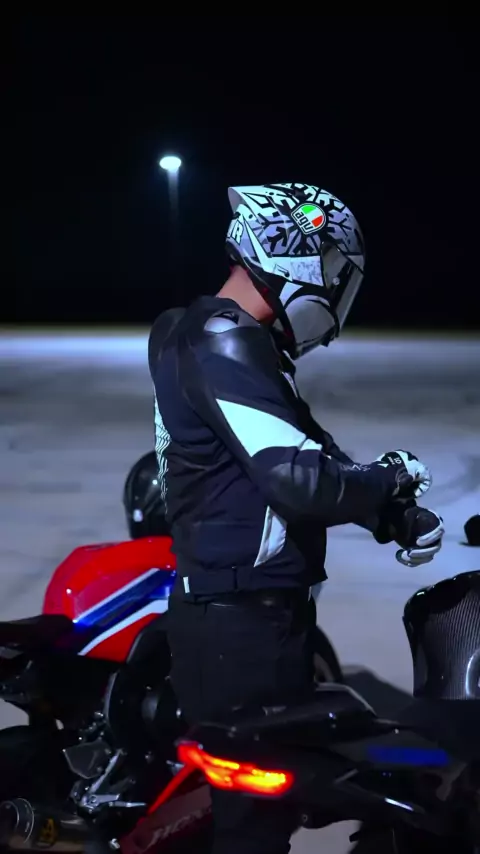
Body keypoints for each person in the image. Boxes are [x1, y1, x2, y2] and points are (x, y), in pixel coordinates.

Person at [148, 183, 444, 854]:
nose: (335, 298)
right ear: (298, 259)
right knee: (254, 828)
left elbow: (309, 454)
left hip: (242, 618)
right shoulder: (222, 338)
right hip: (240, 630)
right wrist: (395, 474)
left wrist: (386, 512)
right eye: (335, 272)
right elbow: (300, 479)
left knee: (262, 815)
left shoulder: (217, 338)